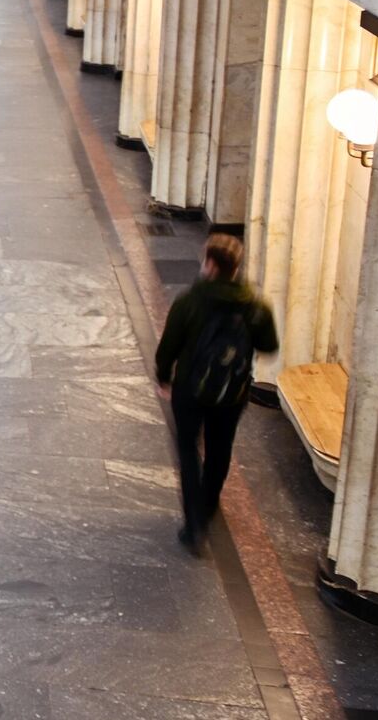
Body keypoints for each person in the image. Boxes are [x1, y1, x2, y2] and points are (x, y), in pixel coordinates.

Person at [153, 233, 279, 555]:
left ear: (210, 264)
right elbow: (269, 345)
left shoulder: (189, 302)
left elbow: (169, 346)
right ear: (235, 268)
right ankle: (208, 506)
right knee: (220, 448)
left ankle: (194, 524)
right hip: (232, 392)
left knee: (187, 448)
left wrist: (164, 377)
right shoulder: (255, 305)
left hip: (190, 391)